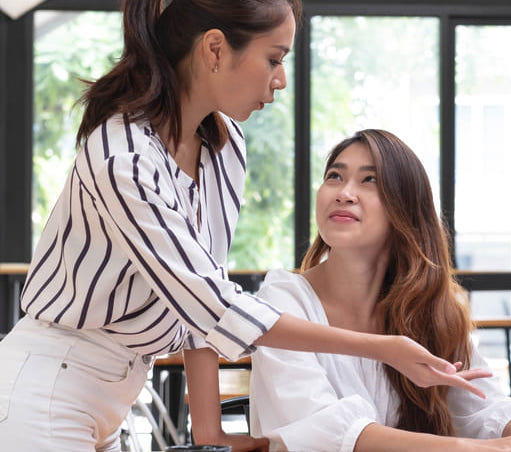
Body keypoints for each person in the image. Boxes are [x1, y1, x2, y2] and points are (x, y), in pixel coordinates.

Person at [0, 2, 484, 450]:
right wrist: (385, 349)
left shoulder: (223, 146)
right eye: (274, 59)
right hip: (46, 385)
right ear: (215, 50)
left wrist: (210, 434)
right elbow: (215, 305)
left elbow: (201, 294)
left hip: (115, 395)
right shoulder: (123, 158)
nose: (281, 80)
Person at [188, 129, 511, 451]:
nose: (344, 192)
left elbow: (481, 407)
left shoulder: (432, 310)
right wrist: (475, 449)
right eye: (334, 176)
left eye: (369, 181)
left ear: (406, 209)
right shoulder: (285, 300)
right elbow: (330, 434)